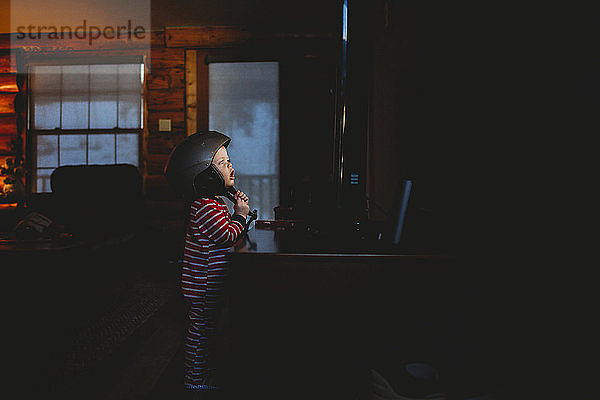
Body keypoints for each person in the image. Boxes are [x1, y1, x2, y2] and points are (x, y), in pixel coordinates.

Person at [164, 131, 250, 398]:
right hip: (203, 286)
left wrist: (237, 212)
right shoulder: (205, 206)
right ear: (205, 173)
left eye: (228, 161)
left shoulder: (212, 203)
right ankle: (194, 378)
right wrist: (241, 216)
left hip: (208, 284)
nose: (231, 166)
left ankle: (204, 370)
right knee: (201, 332)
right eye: (223, 163)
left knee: (209, 330)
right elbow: (226, 236)